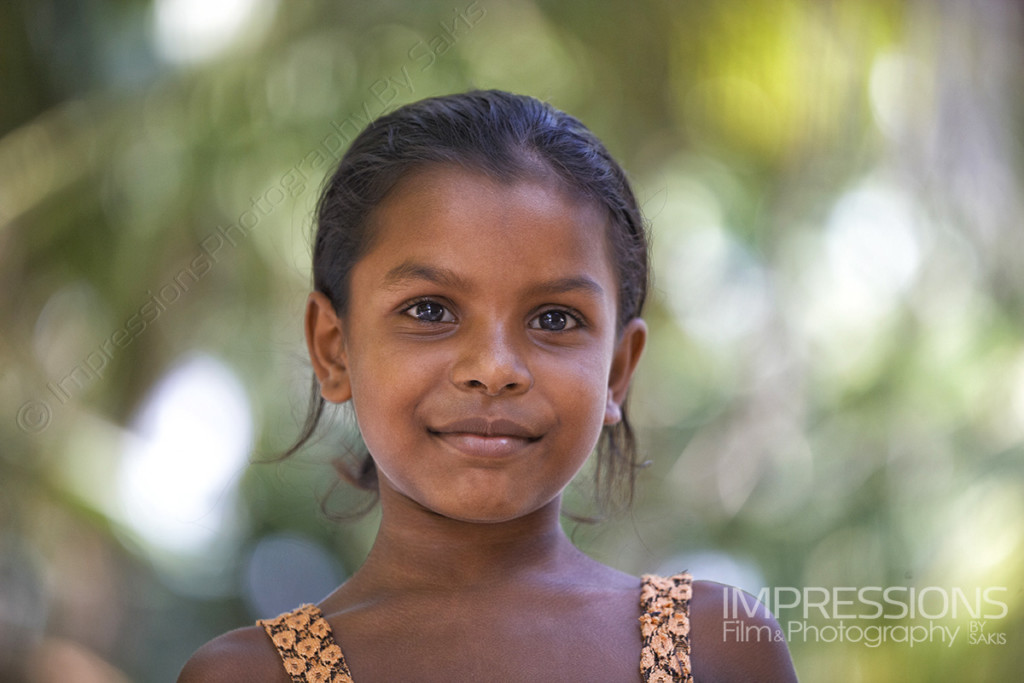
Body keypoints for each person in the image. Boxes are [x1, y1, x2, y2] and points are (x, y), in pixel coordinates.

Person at [178, 90, 798, 682]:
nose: (495, 367)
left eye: (555, 319)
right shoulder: (249, 675)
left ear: (617, 370)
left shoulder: (715, 645)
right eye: (429, 310)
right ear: (334, 349)